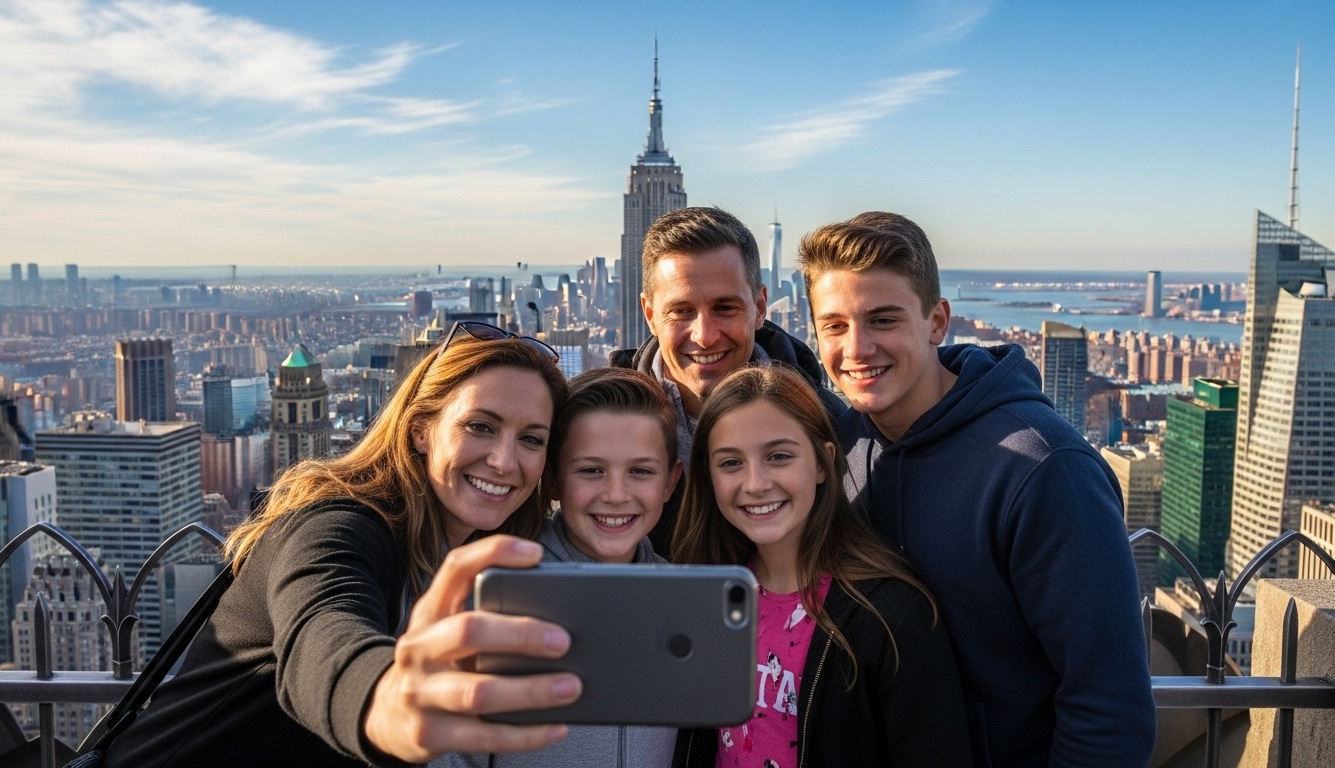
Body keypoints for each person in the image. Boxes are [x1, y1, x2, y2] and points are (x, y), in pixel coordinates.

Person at [101, 323, 579, 767]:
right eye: (480, 426)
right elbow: (323, 631)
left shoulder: (476, 558)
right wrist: (384, 699)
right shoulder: (339, 526)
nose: (503, 460)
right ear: (421, 431)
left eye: (531, 440)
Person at [798, 212, 1156, 767]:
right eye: (835, 325)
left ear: (937, 320)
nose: (858, 347)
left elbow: (1109, 708)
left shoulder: (1044, 470)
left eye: (883, 319)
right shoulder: (838, 449)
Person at [671, 364, 972, 767]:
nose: (756, 483)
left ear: (822, 463)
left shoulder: (890, 616)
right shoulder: (703, 599)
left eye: (779, 456)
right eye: (730, 463)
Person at [462, 367, 682, 767]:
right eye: (591, 470)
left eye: (641, 471)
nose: (616, 495)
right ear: (553, 481)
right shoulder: (503, 594)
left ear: (670, 482)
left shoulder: (686, 601)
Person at [611, 206, 846, 552]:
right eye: (681, 311)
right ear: (650, 314)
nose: (705, 336)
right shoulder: (600, 424)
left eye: (725, 308)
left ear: (760, 307)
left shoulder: (827, 421)